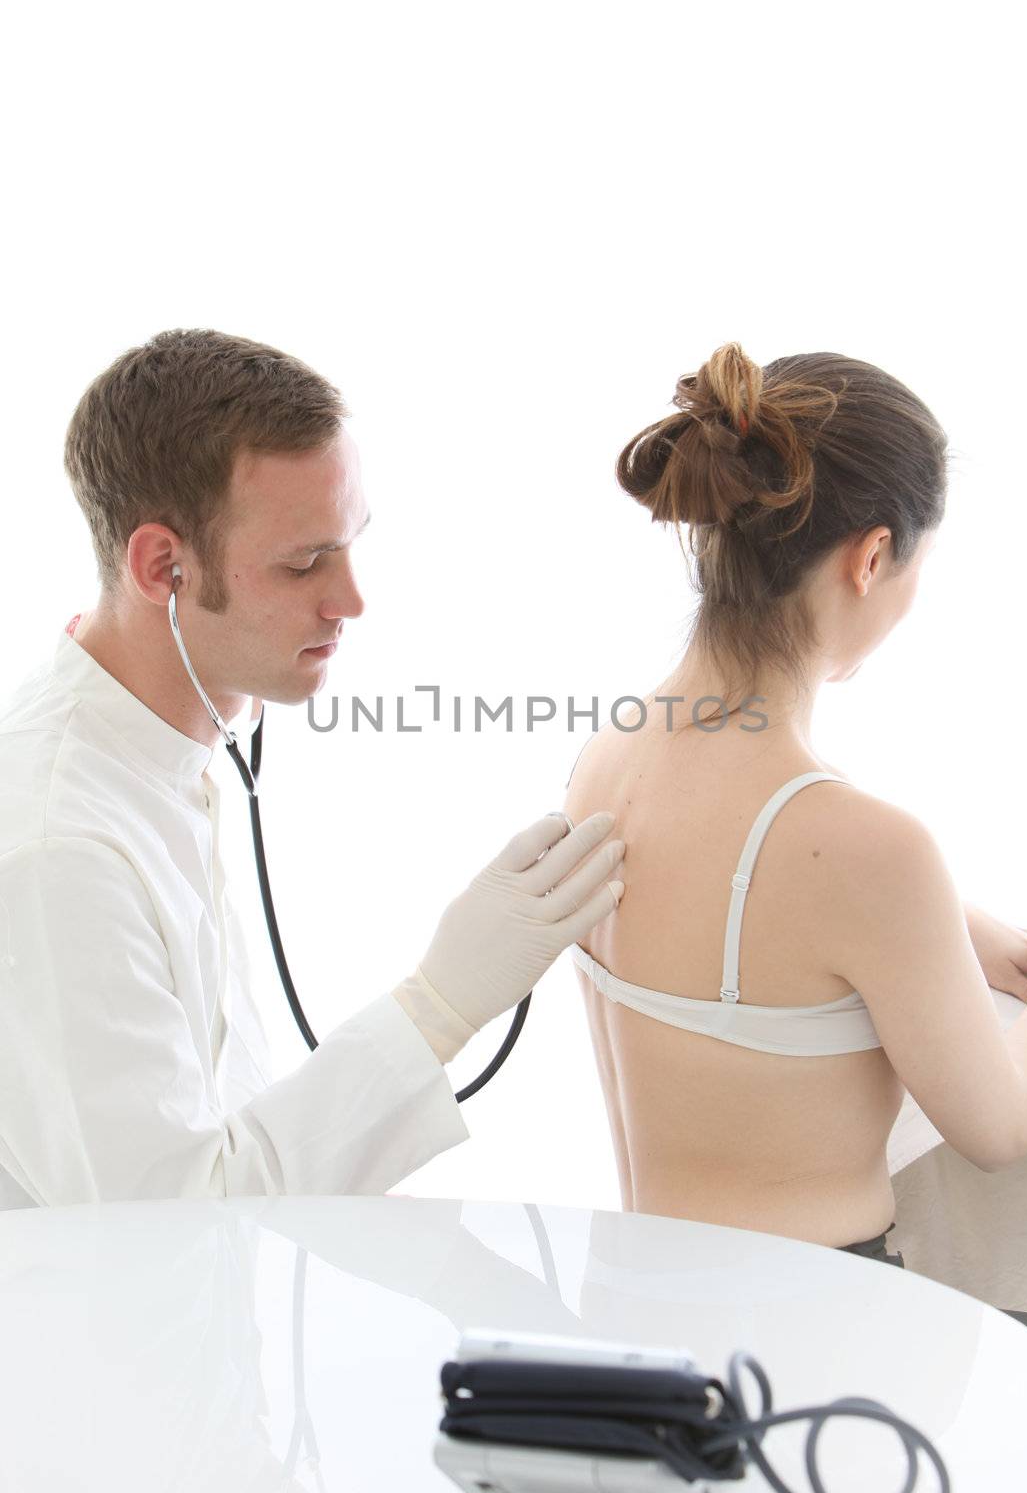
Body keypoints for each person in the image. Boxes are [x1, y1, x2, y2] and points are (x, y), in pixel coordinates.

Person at [0, 327, 626, 1210]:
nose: (352, 601)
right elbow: (171, 1224)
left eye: (348, 543)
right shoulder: (56, 848)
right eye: (303, 563)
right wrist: (438, 1007)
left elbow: (219, 1123)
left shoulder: (161, 757)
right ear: (160, 567)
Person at [563, 342, 1027, 1335]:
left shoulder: (609, 759)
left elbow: (771, 907)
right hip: (814, 1345)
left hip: (637, 1312)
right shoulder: (861, 845)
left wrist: (947, 927)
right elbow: (998, 1126)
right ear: (870, 556)